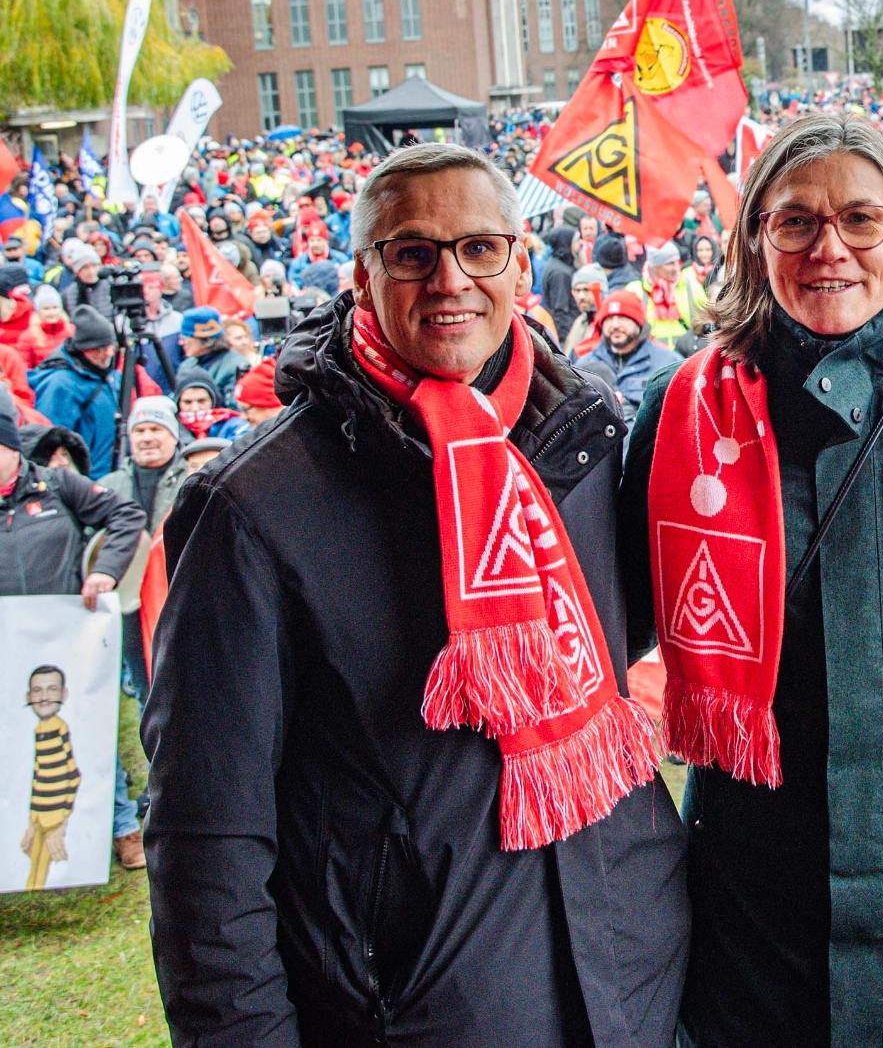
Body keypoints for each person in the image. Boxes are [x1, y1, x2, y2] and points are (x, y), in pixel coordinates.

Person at [145, 142, 688, 1046]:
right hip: (425, 1009)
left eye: (479, 248)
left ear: (519, 259)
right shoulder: (253, 508)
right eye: (412, 252)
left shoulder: (584, 435)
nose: (451, 279)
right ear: (363, 274)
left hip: (633, 983)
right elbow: (207, 842)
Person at [619, 112, 883, 1047]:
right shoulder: (680, 411)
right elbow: (606, 628)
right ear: (754, 238)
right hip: (755, 927)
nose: (829, 248)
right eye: (795, 221)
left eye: (860, 219)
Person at [0, 399, 148, 869]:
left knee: (87, 728)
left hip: (64, 636)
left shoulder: (57, 482)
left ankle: (124, 828)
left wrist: (104, 571)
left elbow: (125, 516)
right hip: (6, 641)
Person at [97, 396, 189, 710]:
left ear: (174, 434)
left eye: (155, 428)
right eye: (139, 430)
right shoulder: (109, 485)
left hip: (173, 597)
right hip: (126, 602)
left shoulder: (191, 480)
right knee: (141, 682)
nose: (147, 437)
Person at [27, 304, 121, 475]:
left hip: (112, 477)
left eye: (110, 346)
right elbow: (51, 441)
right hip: (84, 485)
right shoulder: (60, 385)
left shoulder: (109, 375)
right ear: (82, 350)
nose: (108, 353)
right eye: (99, 349)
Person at [21, 665, 80, 889]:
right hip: (39, 815)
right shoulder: (38, 730)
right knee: (33, 867)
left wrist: (62, 821)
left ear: (63, 694)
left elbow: (73, 775)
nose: (44, 697)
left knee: (39, 869)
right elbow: (38, 776)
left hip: (54, 815)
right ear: (29, 696)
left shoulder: (59, 729)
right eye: (37, 691)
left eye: (51, 689)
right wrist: (31, 820)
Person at [578, 288, 679, 413]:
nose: (615, 325)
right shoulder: (584, 365)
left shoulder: (668, 363)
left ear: (638, 323)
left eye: (622, 318)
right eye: (609, 319)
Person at [176, 305, 251, 407]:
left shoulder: (235, 366)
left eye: (185, 337)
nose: (181, 342)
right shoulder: (187, 366)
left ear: (206, 340)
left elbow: (235, 407)